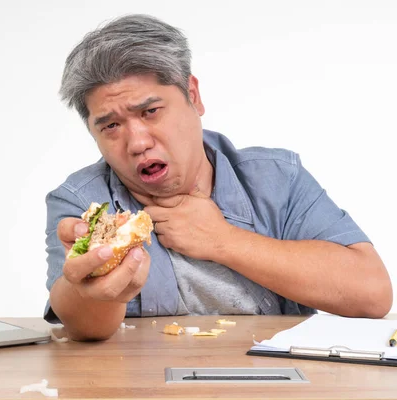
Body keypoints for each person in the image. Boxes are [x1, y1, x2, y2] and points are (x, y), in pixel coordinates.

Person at [43, 14, 393, 341]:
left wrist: (222, 240)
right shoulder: (80, 200)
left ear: (193, 96)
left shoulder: (277, 177)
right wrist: (86, 286)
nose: (137, 142)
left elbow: (372, 295)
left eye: (150, 112)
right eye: (111, 126)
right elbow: (85, 330)